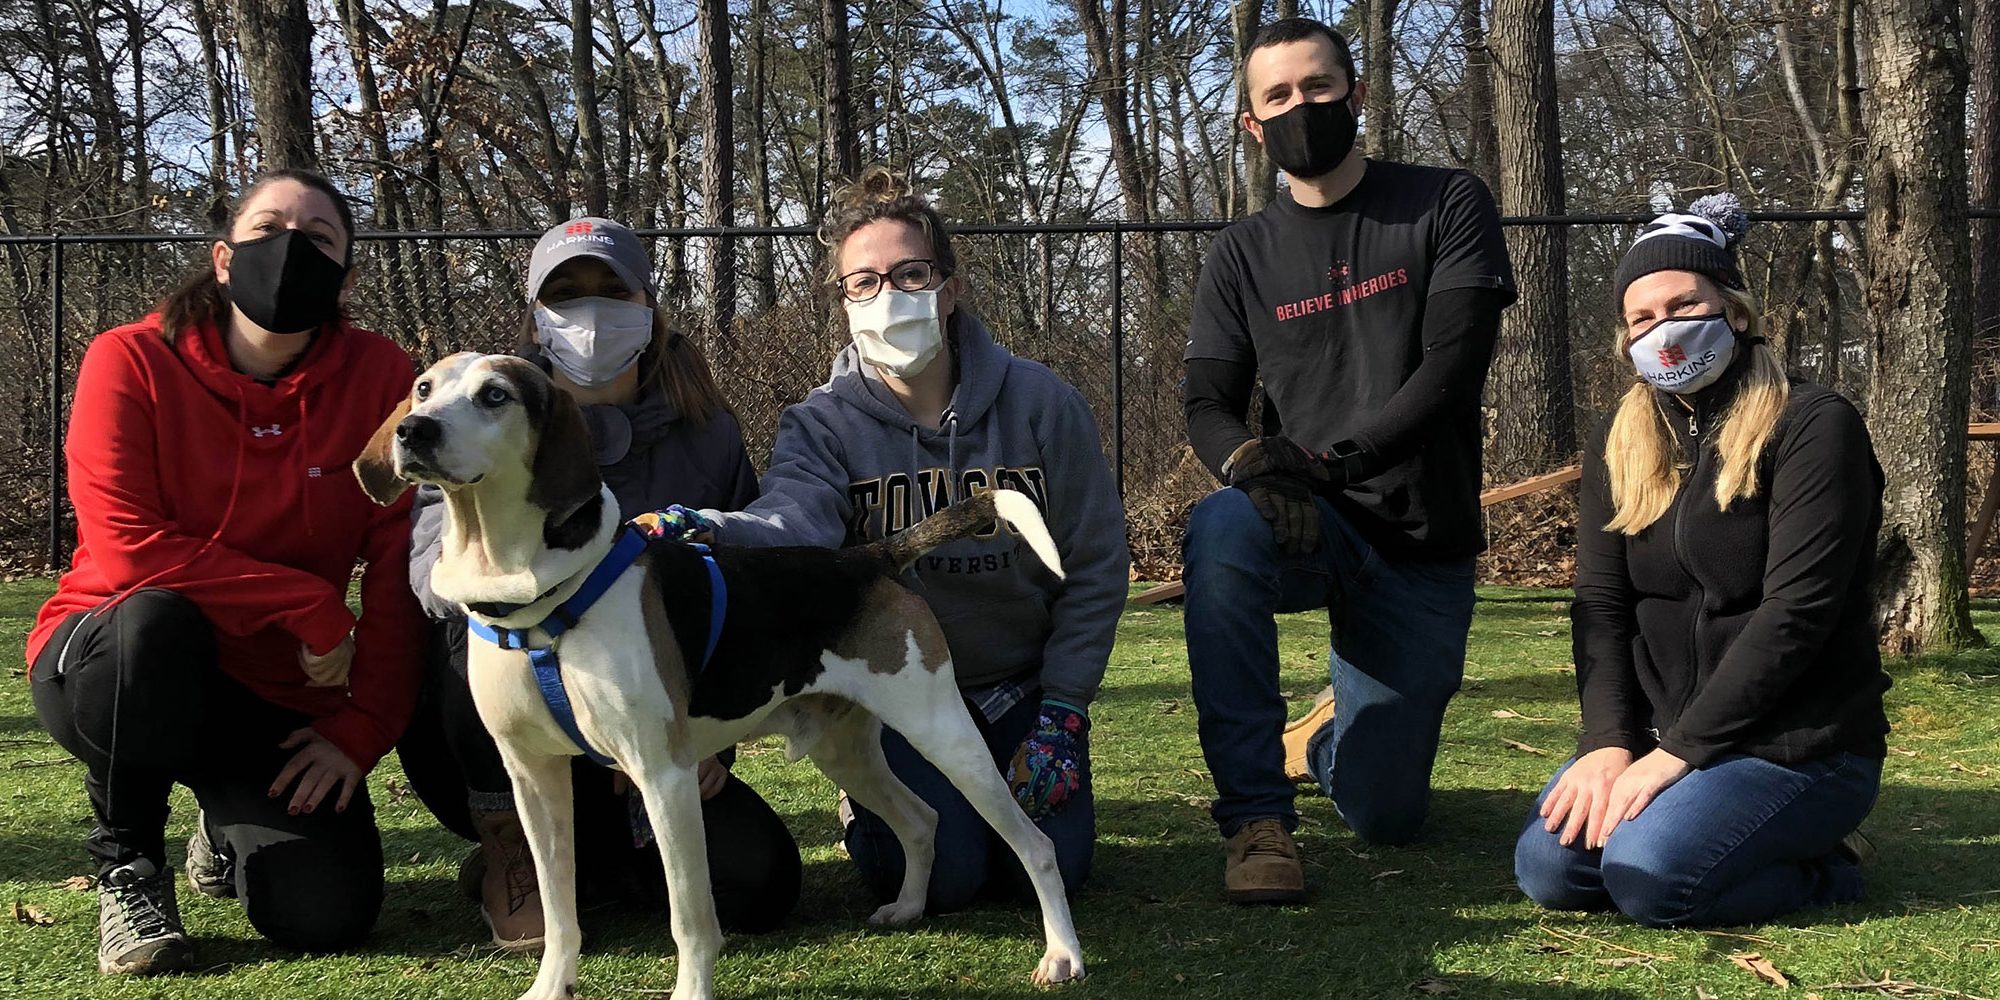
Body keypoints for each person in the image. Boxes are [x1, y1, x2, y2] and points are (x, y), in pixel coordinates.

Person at [667, 167, 1130, 912]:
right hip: (891, 690)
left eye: (911, 274)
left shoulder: (1044, 402)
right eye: (865, 282)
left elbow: (1099, 564)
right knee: (945, 878)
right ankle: (868, 800)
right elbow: (794, 522)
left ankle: (1029, 754)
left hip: (1019, 686)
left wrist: (1064, 711)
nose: (889, 296)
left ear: (950, 288)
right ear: (845, 303)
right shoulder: (821, 422)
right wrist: (710, 526)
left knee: (1050, 872)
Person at [26, 170, 426, 974]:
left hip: (269, 691)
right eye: (267, 229)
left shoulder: (386, 378)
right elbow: (128, 544)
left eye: (318, 238)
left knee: (327, 914)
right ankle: (129, 866)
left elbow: (399, 564)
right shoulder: (128, 360)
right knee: (155, 620)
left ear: (345, 274)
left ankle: (219, 826)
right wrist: (307, 604)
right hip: (114, 664)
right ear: (220, 257)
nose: (290, 249)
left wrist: (361, 729)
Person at [1179, 15, 1516, 905]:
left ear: (1357, 94)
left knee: (1386, 814)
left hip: (1418, 540)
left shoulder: (1447, 201)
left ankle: (1327, 741)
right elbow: (1205, 403)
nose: (1301, 107)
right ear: (1253, 126)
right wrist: (1254, 461)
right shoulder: (1241, 253)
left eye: (1318, 87)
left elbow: (1450, 371)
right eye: (1277, 96)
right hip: (1307, 521)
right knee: (1219, 526)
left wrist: (1329, 463)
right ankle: (1257, 819)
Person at [397, 217, 802, 949]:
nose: (590, 311)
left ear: (648, 307)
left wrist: (701, 724)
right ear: (536, 319)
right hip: (513, 713)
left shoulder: (706, 430)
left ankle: (613, 853)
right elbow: (430, 573)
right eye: (566, 294)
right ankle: (510, 848)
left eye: (610, 291)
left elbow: (743, 588)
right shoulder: (472, 409)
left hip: (655, 716)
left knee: (759, 885)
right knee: (475, 621)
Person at [1512, 195, 1890, 928]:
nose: (1664, 329)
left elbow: (1797, 614)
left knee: (1652, 878)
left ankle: (1827, 871)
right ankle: (1705, 827)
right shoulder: (1617, 437)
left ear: (1736, 312)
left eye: (1683, 303)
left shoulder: (1814, 424)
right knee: (1549, 870)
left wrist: (1678, 753)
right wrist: (1609, 744)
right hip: (1662, 736)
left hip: (1796, 746)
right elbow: (1601, 602)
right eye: (1641, 318)